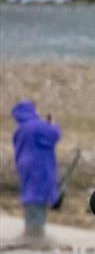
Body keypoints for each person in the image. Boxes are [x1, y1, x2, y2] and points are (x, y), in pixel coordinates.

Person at [12, 100, 61, 238]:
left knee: (30, 198)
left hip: (25, 168)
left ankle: (30, 232)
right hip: (40, 169)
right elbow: (54, 135)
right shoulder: (37, 126)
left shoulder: (20, 129)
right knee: (38, 199)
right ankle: (35, 235)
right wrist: (52, 124)